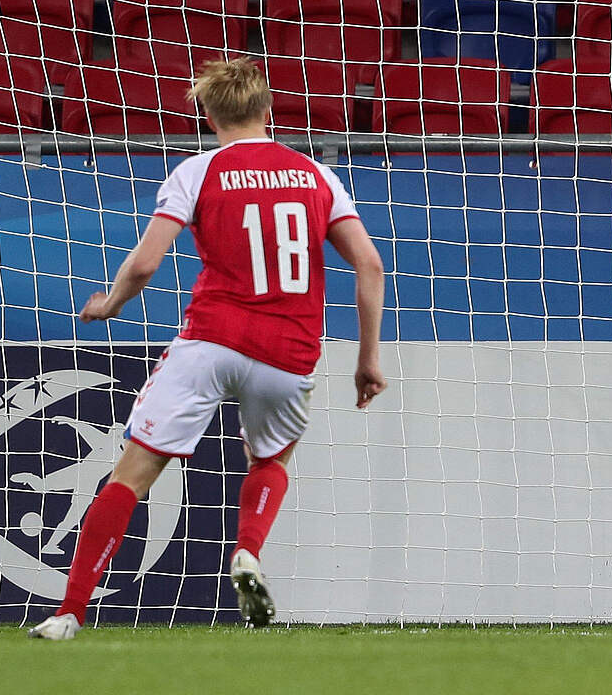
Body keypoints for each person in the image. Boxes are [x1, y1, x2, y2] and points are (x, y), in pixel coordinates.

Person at [29, 57, 387, 638]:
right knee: (269, 460)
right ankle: (247, 553)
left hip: (211, 340)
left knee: (131, 475)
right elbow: (368, 264)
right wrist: (367, 359)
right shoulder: (317, 175)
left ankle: (69, 612)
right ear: (269, 112)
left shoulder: (197, 172)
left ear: (209, 116)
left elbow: (146, 264)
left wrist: (111, 302)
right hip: (289, 351)